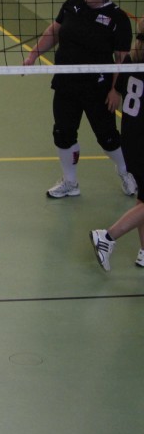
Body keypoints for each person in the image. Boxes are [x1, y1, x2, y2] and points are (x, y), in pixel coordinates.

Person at [24, 0, 135, 199]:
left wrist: (116, 90)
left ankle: (126, 171)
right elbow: (54, 31)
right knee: (63, 132)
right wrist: (33, 55)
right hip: (66, 83)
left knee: (107, 137)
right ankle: (70, 181)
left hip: (98, 88)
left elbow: (121, 60)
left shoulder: (118, 19)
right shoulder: (73, 4)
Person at [91, 17, 144, 270]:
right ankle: (107, 237)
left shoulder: (133, 59)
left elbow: (120, 89)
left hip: (131, 137)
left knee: (143, 198)